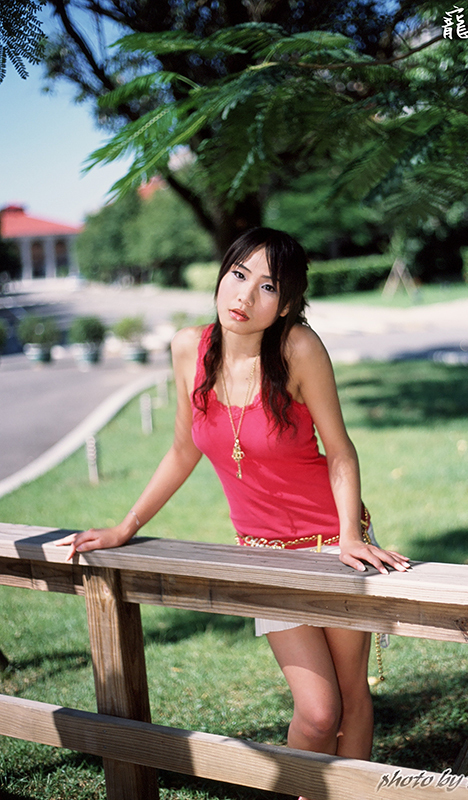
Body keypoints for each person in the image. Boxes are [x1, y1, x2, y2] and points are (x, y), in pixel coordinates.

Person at [56, 227, 410, 800]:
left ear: (287, 304)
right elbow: (183, 448)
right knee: (319, 713)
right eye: (239, 274)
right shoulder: (187, 349)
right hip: (263, 554)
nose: (245, 296)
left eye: (267, 286)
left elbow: (339, 449)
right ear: (222, 275)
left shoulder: (298, 348)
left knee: (352, 696)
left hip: (331, 541)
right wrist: (126, 526)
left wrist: (348, 534)